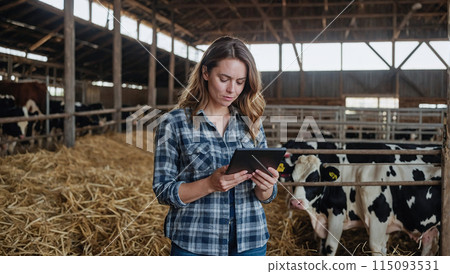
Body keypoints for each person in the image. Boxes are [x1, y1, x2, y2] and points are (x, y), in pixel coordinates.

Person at [152, 36, 279, 256]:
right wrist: (210, 184)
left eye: (240, 82)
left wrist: (266, 186)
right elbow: (163, 191)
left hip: (250, 241)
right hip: (196, 243)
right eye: (224, 78)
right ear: (205, 73)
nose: (232, 89)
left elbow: (266, 196)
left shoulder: (252, 123)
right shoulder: (174, 123)